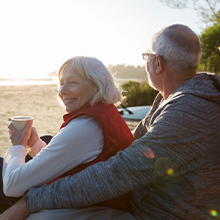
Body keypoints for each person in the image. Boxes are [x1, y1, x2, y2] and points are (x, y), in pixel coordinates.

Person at [1, 23, 220, 220]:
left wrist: (33, 201)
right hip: (137, 203)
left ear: (157, 63)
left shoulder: (191, 111)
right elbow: (127, 151)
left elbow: (119, 171)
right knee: (46, 145)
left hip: (151, 214)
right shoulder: (172, 100)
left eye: (146, 56)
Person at [0, 57, 134, 217]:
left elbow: (12, 186)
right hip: (91, 202)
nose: (62, 91)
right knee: (45, 140)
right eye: (61, 83)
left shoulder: (86, 126)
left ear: (97, 85)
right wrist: (35, 144)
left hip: (80, 210)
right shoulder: (104, 114)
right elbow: (71, 163)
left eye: (73, 82)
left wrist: (18, 145)